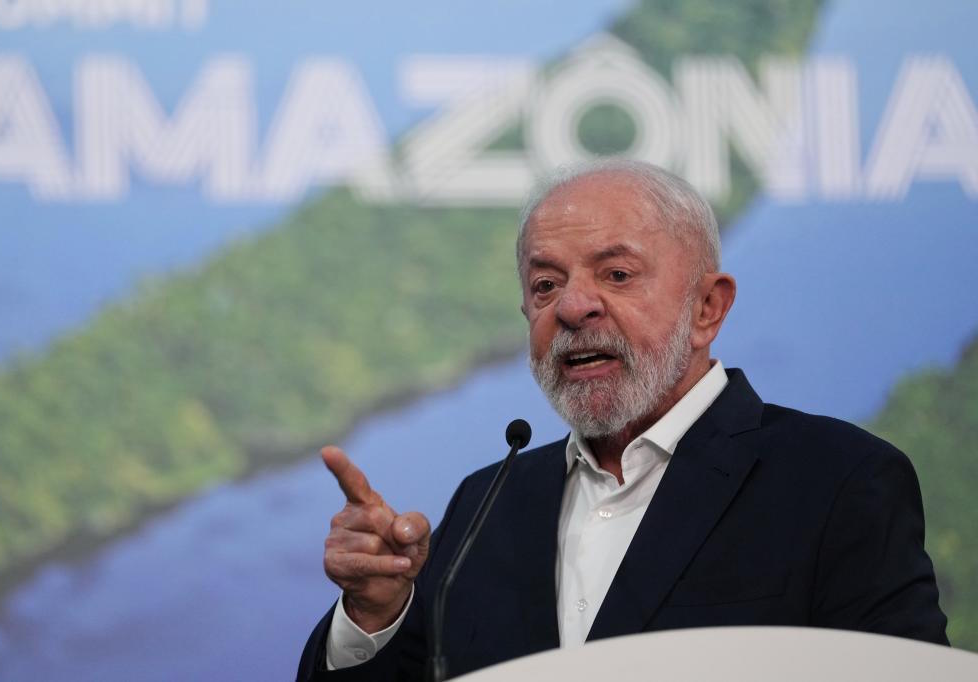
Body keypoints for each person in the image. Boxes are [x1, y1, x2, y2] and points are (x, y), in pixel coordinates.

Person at [296, 159, 948, 681]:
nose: (575, 306)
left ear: (707, 308)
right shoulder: (487, 504)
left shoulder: (836, 480)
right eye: (546, 286)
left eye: (616, 272)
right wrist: (373, 617)